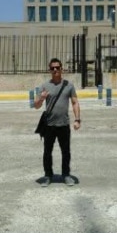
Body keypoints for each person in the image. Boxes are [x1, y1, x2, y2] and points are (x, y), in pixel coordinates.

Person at [34, 58, 81, 187]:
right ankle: (48, 175)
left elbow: (75, 102)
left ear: (62, 69)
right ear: (49, 70)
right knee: (47, 152)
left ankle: (66, 175)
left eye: (57, 67)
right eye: (52, 68)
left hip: (64, 125)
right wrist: (42, 98)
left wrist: (77, 120)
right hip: (49, 125)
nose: (55, 70)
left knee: (66, 151)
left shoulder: (68, 85)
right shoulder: (44, 86)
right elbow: (36, 105)